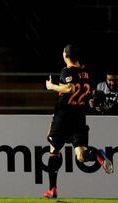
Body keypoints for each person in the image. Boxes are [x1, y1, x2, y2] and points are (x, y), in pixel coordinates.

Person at [44, 44, 114, 198]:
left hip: (63, 117)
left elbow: (69, 88)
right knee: (81, 156)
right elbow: (92, 94)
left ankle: (52, 189)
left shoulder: (67, 71)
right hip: (79, 118)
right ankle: (96, 155)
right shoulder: (87, 74)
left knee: (54, 151)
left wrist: (51, 86)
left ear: (66, 55)